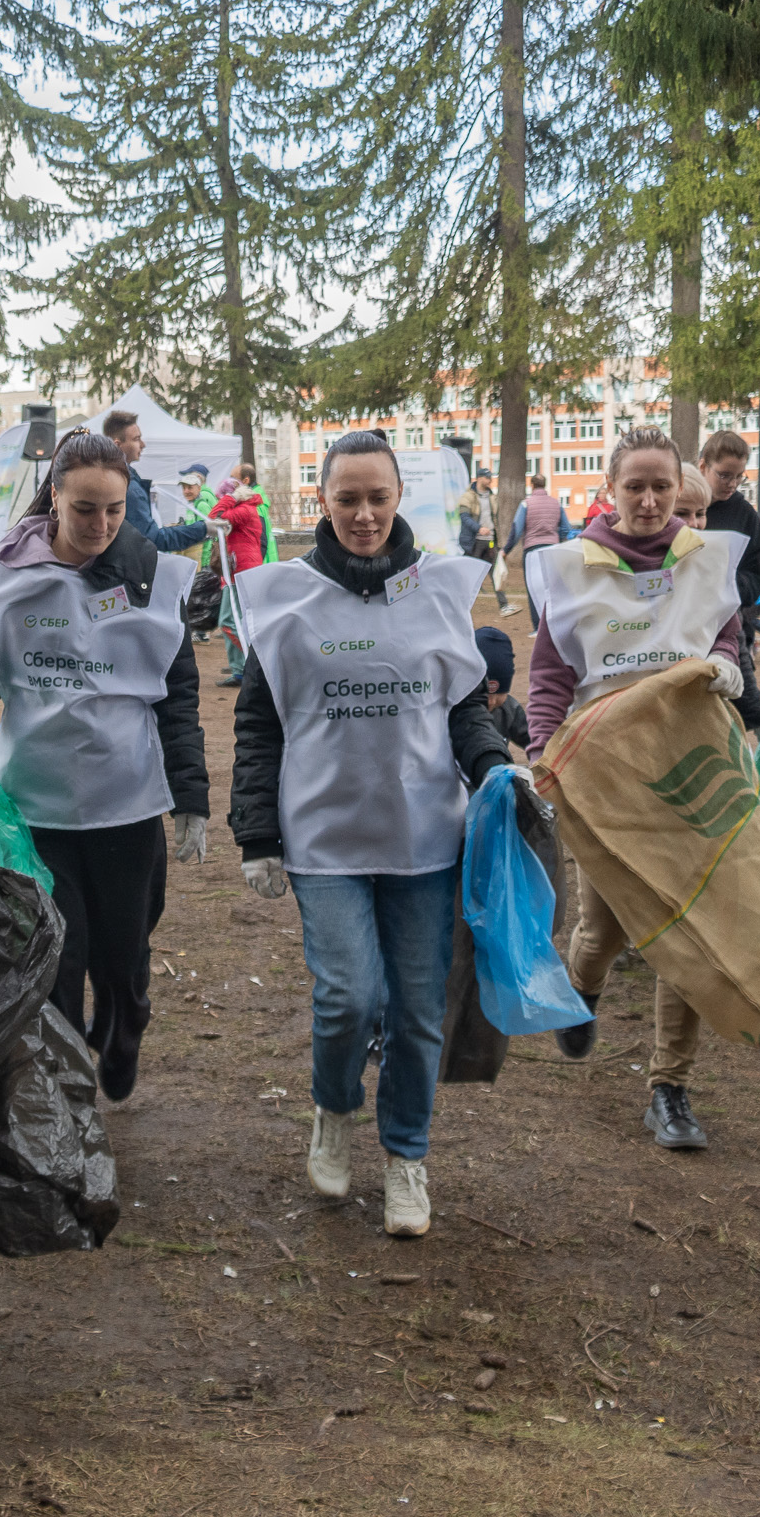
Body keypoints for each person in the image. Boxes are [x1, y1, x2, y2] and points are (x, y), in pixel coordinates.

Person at [229, 430, 512, 1238]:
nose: (362, 513)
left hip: (426, 837)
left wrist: (491, 765)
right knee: (350, 995)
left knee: (420, 1009)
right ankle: (333, 1105)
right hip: (323, 838)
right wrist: (257, 832)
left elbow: (464, 705)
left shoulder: (437, 590)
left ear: (398, 499)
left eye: (377, 497)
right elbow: (259, 720)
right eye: (346, 498)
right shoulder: (283, 598)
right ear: (321, 500)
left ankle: (407, 1158)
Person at [0, 428, 205, 1105]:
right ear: (54, 497)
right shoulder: (11, 575)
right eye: (85, 508)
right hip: (35, 808)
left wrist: (191, 798)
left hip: (127, 807)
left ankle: (122, 1031)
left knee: (124, 962)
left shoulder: (151, 578)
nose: (101, 524)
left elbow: (177, 701)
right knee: (56, 957)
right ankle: (64, 1093)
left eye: (114, 509)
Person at [526, 426, 747, 1149]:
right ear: (611, 491)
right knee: (606, 926)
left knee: (685, 931)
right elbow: (551, 678)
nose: (650, 500)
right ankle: (580, 989)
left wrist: (723, 664)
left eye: (662, 487)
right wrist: (542, 756)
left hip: (687, 769)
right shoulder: (573, 569)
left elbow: (725, 635)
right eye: (636, 486)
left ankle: (669, 1088)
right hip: (605, 775)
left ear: (679, 489)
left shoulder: (705, 562)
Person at [696, 432, 760, 739]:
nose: (731, 484)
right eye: (724, 475)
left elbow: (759, 574)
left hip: (729, 621)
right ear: (702, 466)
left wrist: (727, 586)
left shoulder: (744, 514)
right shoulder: (678, 503)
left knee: (728, 701)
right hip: (682, 634)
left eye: (738, 477)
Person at [103, 410, 208, 554]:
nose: (143, 444)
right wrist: (204, 529)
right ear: (117, 445)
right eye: (136, 439)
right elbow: (152, 539)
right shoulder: (128, 487)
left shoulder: (114, 478)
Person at [206, 475, 265, 687]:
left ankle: (253, 664)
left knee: (229, 621)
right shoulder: (247, 510)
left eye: (221, 495)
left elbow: (213, 517)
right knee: (236, 622)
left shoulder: (243, 510)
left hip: (241, 571)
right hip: (237, 571)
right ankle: (240, 669)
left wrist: (229, 498)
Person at [474, 625, 528, 752]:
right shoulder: (450, 711)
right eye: (484, 694)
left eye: (498, 695)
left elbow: (537, 742)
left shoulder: (509, 709)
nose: (491, 702)